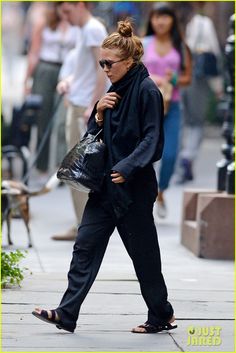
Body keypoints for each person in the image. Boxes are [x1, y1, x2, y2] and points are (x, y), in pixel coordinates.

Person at [32, 20, 177, 335]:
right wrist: (98, 113)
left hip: (134, 191)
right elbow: (95, 140)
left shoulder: (147, 91)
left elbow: (153, 141)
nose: (104, 69)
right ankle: (66, 314)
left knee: (144, 257)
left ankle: (161, 314)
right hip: (104, 189)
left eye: (108, 63)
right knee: (84, 246)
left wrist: (127, 167)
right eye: (102, 63)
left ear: (129, 62)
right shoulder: (114, 92)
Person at [52, 1, 108, 241]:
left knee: (77, 171)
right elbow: (86, 69)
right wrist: (69, 82)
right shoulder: (86, 30)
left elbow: (102, 69)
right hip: (78, 102)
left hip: (83, 107)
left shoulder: (93, 29)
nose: (65, 17)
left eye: (67, 11)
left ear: (80, 4)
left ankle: (84, 227)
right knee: (75, 170)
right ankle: (82, 225)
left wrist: (92, 105)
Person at [142, 3, 192, 218]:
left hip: (172, 105)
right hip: (146, 106)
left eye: (164, 17)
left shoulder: (181, 45)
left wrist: (172, 79)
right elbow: (134, 71)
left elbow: (187, 78)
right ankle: (147, 194)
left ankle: (161, 191)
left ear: (172, 20)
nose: (160, 21)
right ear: (151, 20)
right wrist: (153, 78)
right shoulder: (144, 44)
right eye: (156, 17)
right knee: (146, 153)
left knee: (170, 154)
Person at [24, 2, 78, 177]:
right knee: (43, 119)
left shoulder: (76, 23)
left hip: (68, 72)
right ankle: (41, 166)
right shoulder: (45, 23)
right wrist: (27, 80)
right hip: (46, 69)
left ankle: (62, 166)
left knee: (64, 121)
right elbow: (34, 52)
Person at [176, 2, 222, 184]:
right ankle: (187, 156)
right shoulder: (203, 23)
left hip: (178, 79)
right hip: (197, 80)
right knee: (197, 123)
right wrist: (218, 86)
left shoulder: (173, 24)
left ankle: (180, 163)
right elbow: (214, 53)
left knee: (181, 121)